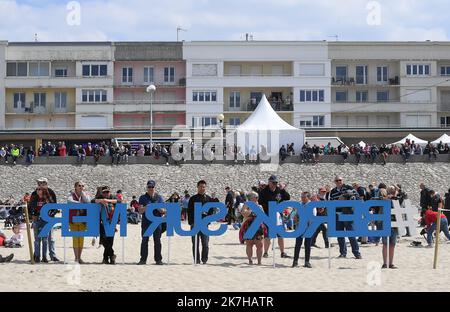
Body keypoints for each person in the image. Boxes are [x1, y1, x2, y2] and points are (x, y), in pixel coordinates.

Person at [258, 175, 291, 258]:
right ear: (269, 182)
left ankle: (282, 252)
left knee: (280, 234)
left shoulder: (279, 190)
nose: (274, 184)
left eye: (276, 182)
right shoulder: (264, 192)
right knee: (268, 235)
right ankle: (265, 252)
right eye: (273, 182)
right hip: (268, 215)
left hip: (278, 216)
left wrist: (283, 189)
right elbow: (260, 202)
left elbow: (287, 197)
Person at [330, 176, 362, 259]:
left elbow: (357, 198)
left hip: (347, 213)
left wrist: (346, 196)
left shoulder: (348, 187)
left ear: (342, 180)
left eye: (340, 180)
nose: (338, 182)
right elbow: (331, 202)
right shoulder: (333, 191)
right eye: (336, 180)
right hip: (337, 214)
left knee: (351, 234)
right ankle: (343, 253)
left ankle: (356, 253)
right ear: (334, 182)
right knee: (340, 235)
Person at [28, 177, 59, 262]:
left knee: (50, 238)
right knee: (37, 238)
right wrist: (33, 215)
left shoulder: (51, 192)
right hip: (37, 219)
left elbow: (55, 206)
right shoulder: (34, 193)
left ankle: (52, 255)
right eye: (39, 183)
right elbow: (30, 206)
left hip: (49, 219)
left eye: (42, 183)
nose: (40, 185)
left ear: (46, 183)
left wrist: (51, 215)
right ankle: (36, 255)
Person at [137, 180, 165, 265]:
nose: (151, 188)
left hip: (157, 222)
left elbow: (164, 211)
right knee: (144, 241)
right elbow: (140, 211)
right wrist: (147, 207)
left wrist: (157, 207)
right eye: (149, 187)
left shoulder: (159, 197)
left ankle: (158, 260)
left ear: (155, 187)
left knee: (157, 241)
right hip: (146, 222)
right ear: (147, 187)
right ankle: (143, 259)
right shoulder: (142, 197)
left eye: (152, 187)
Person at [188, 180, 214, 264]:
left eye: (204, 187)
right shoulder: (193, 198)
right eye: (200, 187)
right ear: (197, 187)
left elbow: (211, 211)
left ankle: (204, 259)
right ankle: (197, 259)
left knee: (205, 244)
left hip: (205, 224)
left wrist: (208, 221)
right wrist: (191, 222)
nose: (202, 188)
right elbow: (189, 211)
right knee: (195, 243)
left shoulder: (209, 198)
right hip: (195, 224)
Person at [240, 192, 267, 265]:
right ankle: (250, 260)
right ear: (251, 198)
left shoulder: (259, 206)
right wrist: (253, 211)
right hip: (249, 225)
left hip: (258, 226)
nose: (257, 198)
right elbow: (243, 213)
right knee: (249, 244)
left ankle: (259, 261)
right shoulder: (246, 205)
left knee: (260, 244)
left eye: (257, 197)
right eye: (256, 197)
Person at [67, 181, 91, 264]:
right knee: (75, 239)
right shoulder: (71, 195)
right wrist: (80, 204)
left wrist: (83, 194)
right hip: (73, 220)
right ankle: (76, 258)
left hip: (82, 219)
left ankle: (79, 257)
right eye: (79, 186)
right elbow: (69, 201)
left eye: (82, 186)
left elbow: (88, 201)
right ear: (75, 187)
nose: (81, 187)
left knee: (81, 239)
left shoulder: (84, 194)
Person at [93, 186, 118, 264]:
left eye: (107, 192)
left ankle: (106, 258)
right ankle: (112, 255)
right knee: (104, 240)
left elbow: (120, 201)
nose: (106, 194)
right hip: (102, 223)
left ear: (110, 192)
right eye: (104, 192)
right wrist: (101, 200)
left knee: (110, 241)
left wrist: (108, 200)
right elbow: (92, 201)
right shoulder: (100, 197)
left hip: (111, 223)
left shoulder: (113, 197)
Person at [292, 192, 313, 268]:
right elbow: (294, 216)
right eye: (301, 197)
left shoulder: (311, 205)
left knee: (307, 245)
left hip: (308, 227)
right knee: (297, 245)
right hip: (299, 227)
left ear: (308, 197)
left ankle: (307, 262)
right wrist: (295, 217)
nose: (302, 198)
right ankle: (295, 261)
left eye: (304, 197)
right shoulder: (299, 205)